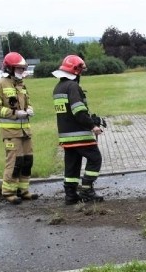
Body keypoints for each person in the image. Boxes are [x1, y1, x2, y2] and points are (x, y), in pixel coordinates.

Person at [52, 55, 106, 204]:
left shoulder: (58, 87)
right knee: (95, 158)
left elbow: (68, 112)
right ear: (75, 71)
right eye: (81, 70)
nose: (81, 74)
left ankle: (70, 195)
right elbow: (78, 111)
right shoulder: (73, 87)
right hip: (79, 134)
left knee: (72, 165)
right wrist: (92, 125)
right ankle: (87, 189)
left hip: (65, 136)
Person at [0, 52, 38, 204]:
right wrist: (16, 113)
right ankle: (8, 192)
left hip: (25, 131)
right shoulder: (0, 84)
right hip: (11, 132)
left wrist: (29, 109)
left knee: (27, 161)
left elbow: (27, 101)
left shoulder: (21, 85)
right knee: (14, 162)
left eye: (23, 69)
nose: (22, 71)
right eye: (18, 68)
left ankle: (23, 190)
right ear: (10, 68)